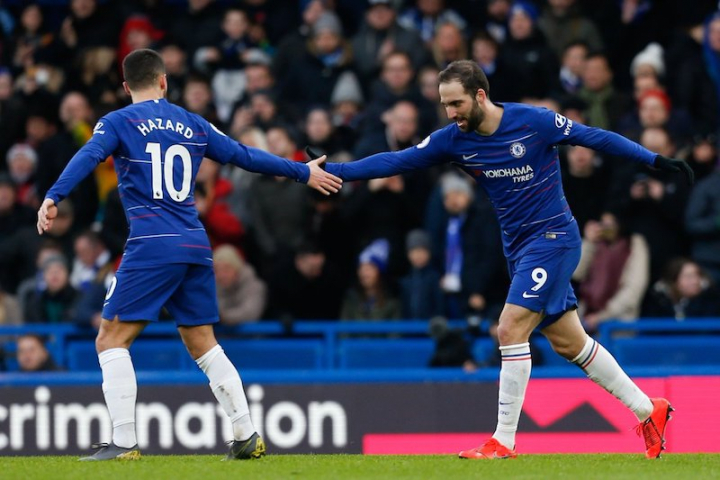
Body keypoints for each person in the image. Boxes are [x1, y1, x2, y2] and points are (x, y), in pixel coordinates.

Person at [319, 60, 693, 459]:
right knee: (570, 343)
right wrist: (336, 169)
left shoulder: (534, 122)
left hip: (554, 238)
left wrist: (654, 160)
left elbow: (595, 137)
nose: (451, 113)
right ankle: (647, 409)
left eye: (457, 103)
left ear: (480, 95)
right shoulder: (452, 139)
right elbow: (397, 161)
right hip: (517, 247)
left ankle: (504, 441)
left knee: (510, 327)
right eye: (445, 105)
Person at [36, 48, 341, 461]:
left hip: (152, 243)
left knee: (110, 339)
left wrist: (55, 195)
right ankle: (247, 434)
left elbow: (89, 155)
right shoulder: (192, 122)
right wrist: (302, 171)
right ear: (164, 81)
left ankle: (124, 441)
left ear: (126, 87)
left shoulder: (118, 121)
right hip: (195, 243)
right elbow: (245, 156)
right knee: (203, 343)